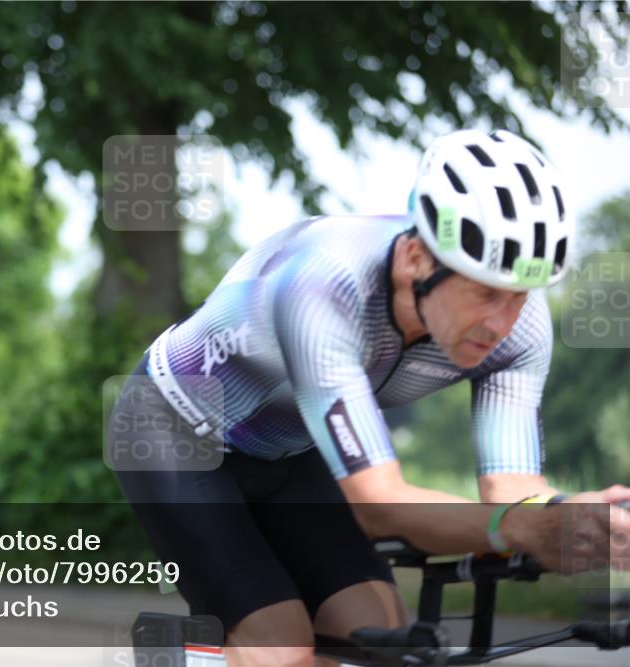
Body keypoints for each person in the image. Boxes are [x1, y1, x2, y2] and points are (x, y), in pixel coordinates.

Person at [106, 129, 630, 667]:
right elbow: (379, 506)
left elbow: (513, 492)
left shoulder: (521, 330)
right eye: (484, 292)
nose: (502, 322)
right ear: (415, 259)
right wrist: (517, 526)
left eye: (520, 295)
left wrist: (573, 517)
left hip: (288, 452)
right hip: (172, 432)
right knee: (281, 645)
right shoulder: (322, 285)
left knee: (381, 635)